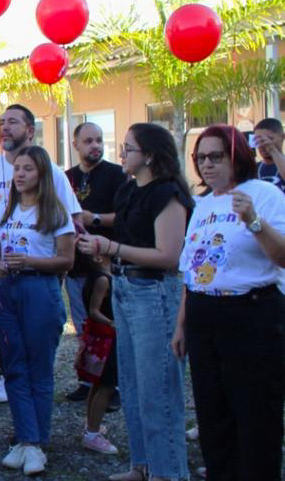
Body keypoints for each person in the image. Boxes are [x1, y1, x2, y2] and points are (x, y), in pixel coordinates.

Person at [0, 105, 80, 449]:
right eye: (1, 122)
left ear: (30, 131)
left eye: (13, 122)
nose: (4, 128)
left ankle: (27, 433)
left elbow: (68, 228)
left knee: (26, 357)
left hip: (37, 284)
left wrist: (52, 278)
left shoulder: (54, 174)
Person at [76, 122, 193, 481]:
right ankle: (142, 466)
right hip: (125, 290)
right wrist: (101, 252)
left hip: (154, 294)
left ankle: (169, 472)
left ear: (151, 156)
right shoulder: (128, 191)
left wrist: (111, 247)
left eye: (128, 148)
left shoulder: (168, 194)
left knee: (158, 390)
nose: (121, 154)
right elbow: (126, 246)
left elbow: (169, 256)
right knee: (132, 385)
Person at [172, 125, 285, 480]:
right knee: (212, 412)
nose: (206, 165)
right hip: (205, 315)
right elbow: (194, 270)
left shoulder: (264, 194)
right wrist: (182, 324)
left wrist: (253, 221)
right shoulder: (204, 204)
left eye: (215, 156)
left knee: (255, 414)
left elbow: (282, 257)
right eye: (200, 158)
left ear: (237, 155)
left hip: (251, 314)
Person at [0, 146, 75, 476]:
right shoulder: (6, 211)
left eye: (28, 169)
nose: (20, 174)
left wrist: (31, 262)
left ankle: (35, 444)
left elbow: (67, 260)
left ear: (42, 174)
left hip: (41, 290)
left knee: (39, 368)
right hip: (8, 291)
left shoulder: (55, 213)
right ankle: (25, 439)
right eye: (17, 169)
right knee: (14, 368)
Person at [63, 122, 126, 404]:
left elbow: (126, 215)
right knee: (83, 324)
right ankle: (88, 381)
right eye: (88, 141)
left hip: (108, 265)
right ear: (75, 144)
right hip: (76, 265)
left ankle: (113, 384)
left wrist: (95, 219)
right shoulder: (65, 179)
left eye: (99, 140)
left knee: (110, 322)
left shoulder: (117, 175)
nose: (95, 146)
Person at [74, 252, 119, 456]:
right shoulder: (102, 279)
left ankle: (91, 424)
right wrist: (113, 323)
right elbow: (94, 310)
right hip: (107, 339)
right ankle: (92, 434)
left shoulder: (100, 276)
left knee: (97, 383)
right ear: (98, 258)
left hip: (103, 338)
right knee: (107, 386)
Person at [252, 117, 285, 194]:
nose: (263, 144)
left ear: (282, 137)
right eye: (258, 140)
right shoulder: (253, 168)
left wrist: (272, 150)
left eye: (270, 138)